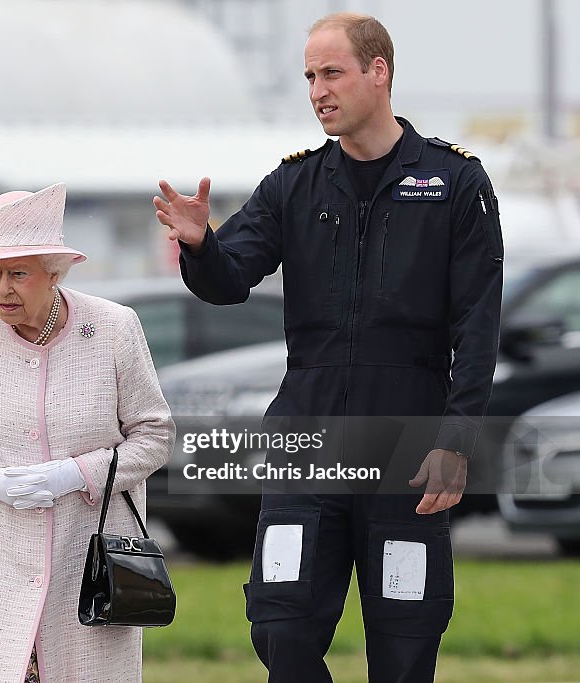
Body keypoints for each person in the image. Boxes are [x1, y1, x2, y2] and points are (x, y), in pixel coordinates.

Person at [154, 13, 502, 683]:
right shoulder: (294, 185)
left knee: (405, 641)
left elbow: (478, 324)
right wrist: (201, 245)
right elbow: (230, 281)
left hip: (407, 444)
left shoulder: (455, 183)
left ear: (380, 72)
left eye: (332, 73)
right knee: (280, 623)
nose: (317, 90)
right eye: (310, 76)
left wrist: (456, 439)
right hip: (305, 441)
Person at [0, 182, 174, 683]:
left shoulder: (113, 327)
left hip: (90, 560)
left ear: (53, 272)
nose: (2, 289)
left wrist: (74, 474)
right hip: (3, 561)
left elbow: (154, 436)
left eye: (18, 273)